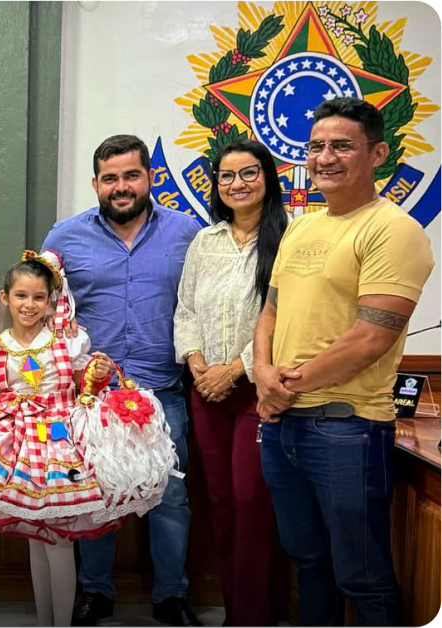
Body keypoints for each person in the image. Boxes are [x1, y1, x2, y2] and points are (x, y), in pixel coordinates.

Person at [0, 250, 178, 626]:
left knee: (59, 540)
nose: (29, 305)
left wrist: (97, 374)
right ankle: (46, 621)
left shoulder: (69, 342)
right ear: (6, 298)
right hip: (21, 449)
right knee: (37, 542)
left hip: (61, 443)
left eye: (38, 297)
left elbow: (82, 388)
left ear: (50, 301)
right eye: (21, 296)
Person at [253, 97, 434, 627]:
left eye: (341, 146)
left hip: (346, 427)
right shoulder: (302, 226)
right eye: (316, 146)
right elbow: (270, 312)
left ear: (377, 153)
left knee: (363, 576)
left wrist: (285, 386)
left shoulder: (394, 230)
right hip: (282, 425)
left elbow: (369, 339)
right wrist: (264, 375)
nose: (325, 157)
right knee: (307, 562)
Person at [42, 134, 203, 627]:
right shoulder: (64, 238)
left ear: (149, 178)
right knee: (96, 496)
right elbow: (41, 309)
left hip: (164, 390)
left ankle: (171, 596)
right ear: (95, 183)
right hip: (91, 395)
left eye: (131, 175)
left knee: (169, 496)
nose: (121, 186)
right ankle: (96, 592)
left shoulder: (188, 233)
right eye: (110, 178)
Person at [173, 139, 288, 626]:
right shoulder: (206, 241)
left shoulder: (288, 239)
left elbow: (285, 317)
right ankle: (235, 610)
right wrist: (198, 364)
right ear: (215, 185)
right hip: (206, 392)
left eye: (248, 173)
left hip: (256, 393)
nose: (237, 184)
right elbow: (186, 309)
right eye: (226, 176)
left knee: (251, 502)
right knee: (219, 502)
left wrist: (235, 369)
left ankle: (256, 615)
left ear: (267, 178)